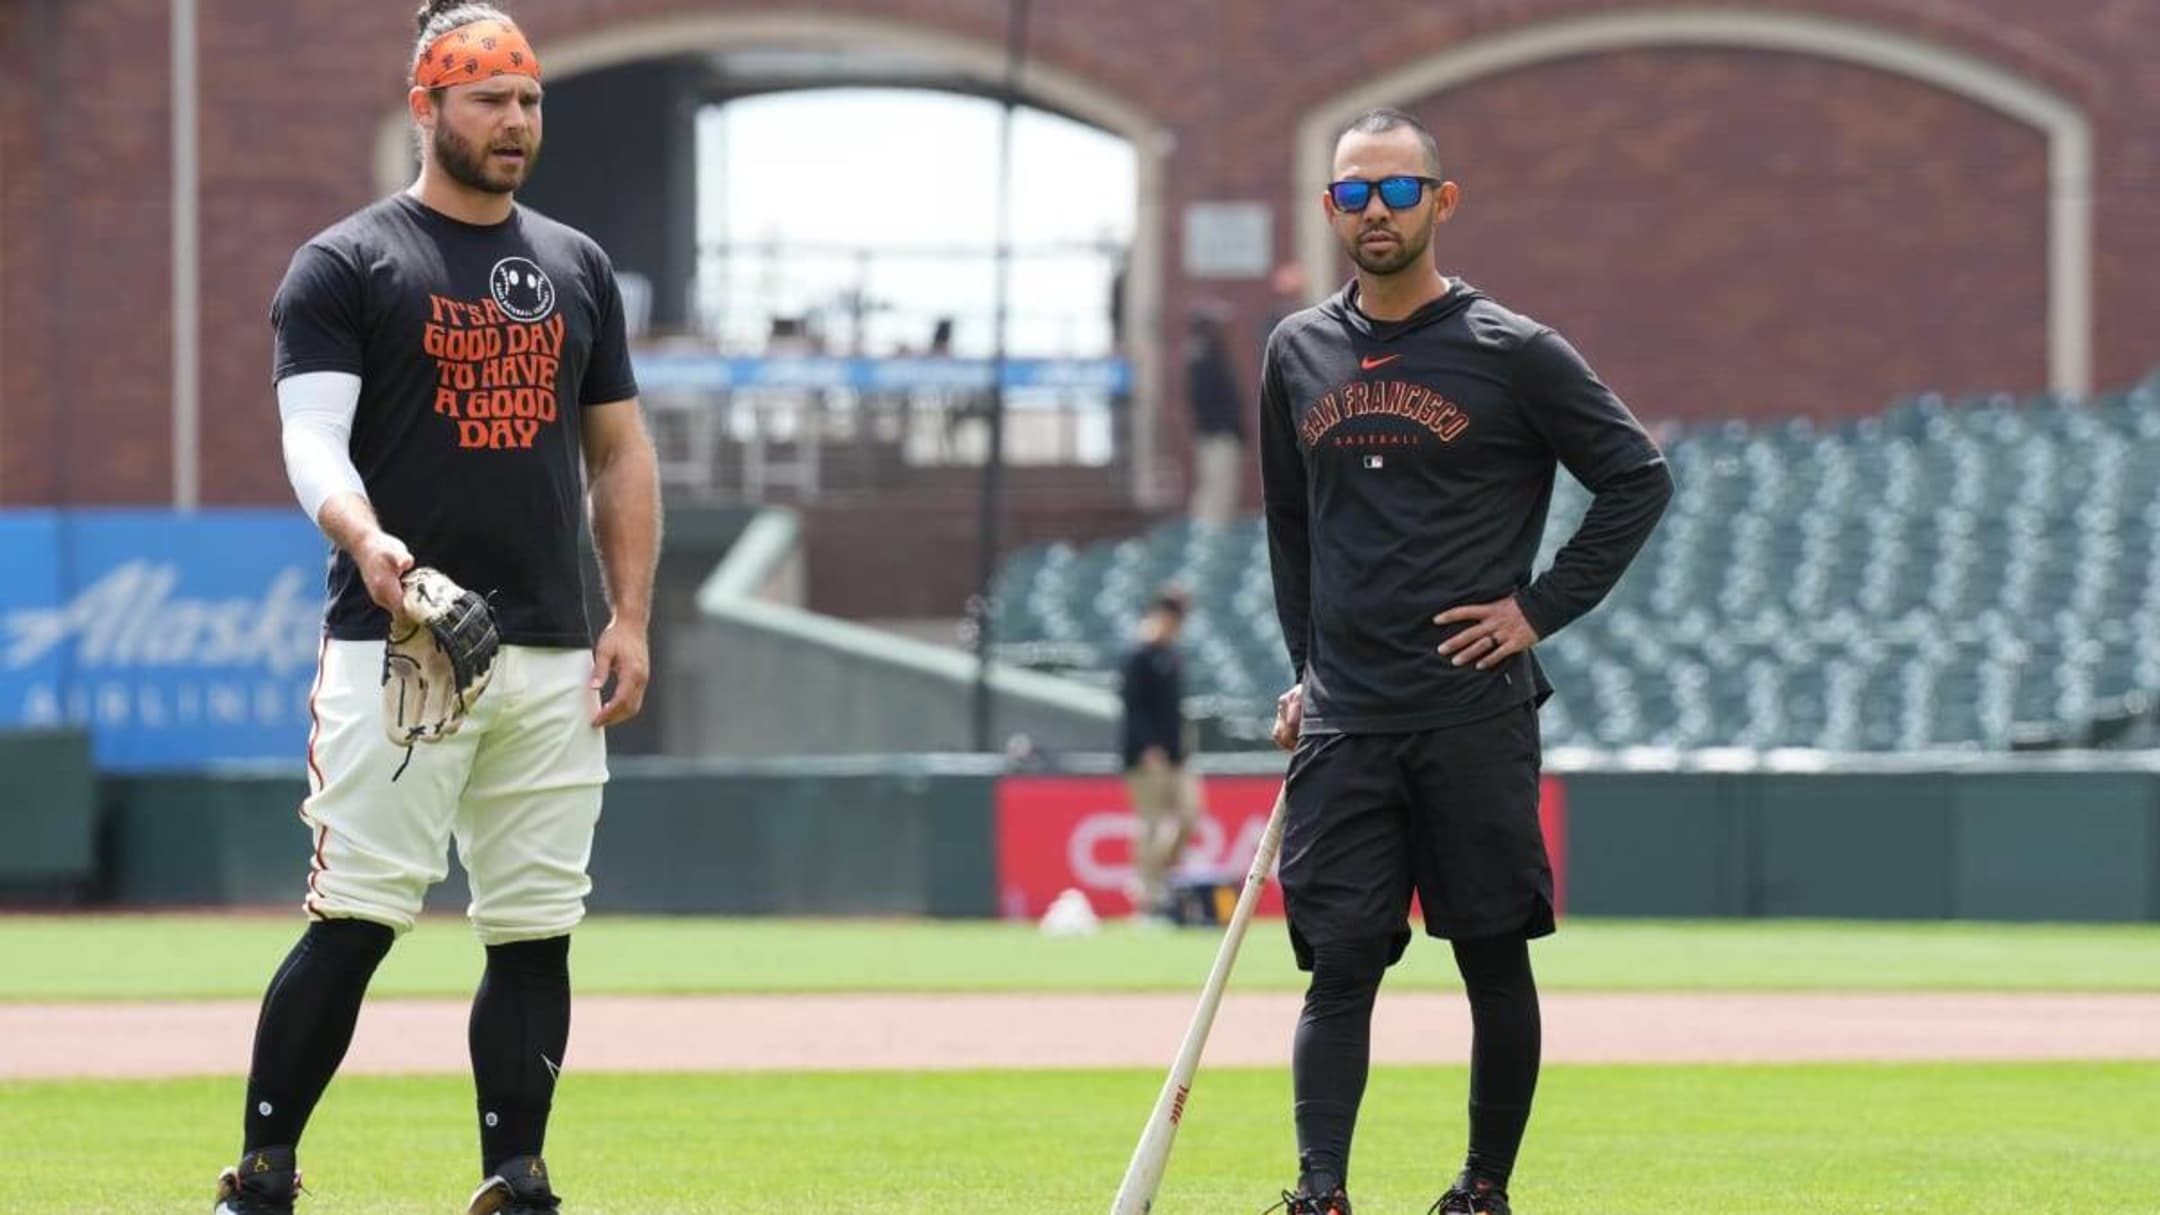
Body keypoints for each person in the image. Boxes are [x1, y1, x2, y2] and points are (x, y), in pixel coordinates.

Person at [212, 4, 661, 1213]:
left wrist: (631, 616)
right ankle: (262, 1175)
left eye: (528, 101)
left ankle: (516, 1179)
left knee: (534, 931)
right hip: (406, 646)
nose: (516, 122)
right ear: (428, 108)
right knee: (357, 916)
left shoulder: (574, 265)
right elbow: (311, 441)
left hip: (554, 651)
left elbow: (619, 453)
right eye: (489, 100)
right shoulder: (348, 262)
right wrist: (367, 544)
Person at [1258, 107, 1672, 1215]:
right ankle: (1320, 1193)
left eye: (1397, 190)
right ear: (1332, 208)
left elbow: (1638, 479)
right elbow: (1291, 528)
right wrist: (1306, 668)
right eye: (1353, 194)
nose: (1374, 211)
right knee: (1340, 964)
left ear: (1442, 201)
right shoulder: (1295, 351)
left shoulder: (1513, 350)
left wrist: (1536, 611)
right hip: (1346, 717)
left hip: (1472, 713)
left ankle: (1483, 1189)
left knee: (1491, 954)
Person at [1118, 588, 1198, 918]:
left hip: (1176, 757)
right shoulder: (1138, 655)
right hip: (1145, 757)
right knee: (1150, 825)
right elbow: (1132, 707)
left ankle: (1159, 879)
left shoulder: (1173, 655)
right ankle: (1148, 900)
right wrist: (1148, 746)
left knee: (1190, 815)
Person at [1185, 304, 1247, 527]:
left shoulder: (1212, 356)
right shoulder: (1204, 359)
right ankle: (1210, 542)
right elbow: (1208, 402)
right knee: (1218, 489)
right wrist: (1228, 428)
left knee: (1220, 488)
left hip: (1219, 434)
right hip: (1217, 435)